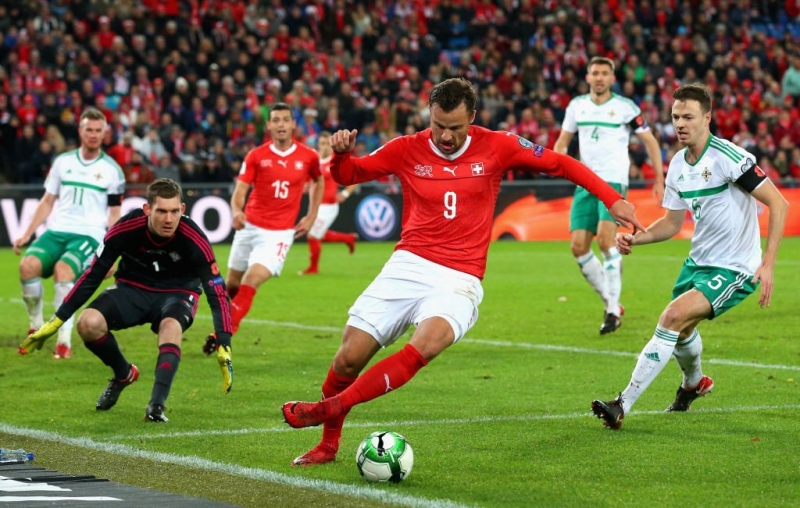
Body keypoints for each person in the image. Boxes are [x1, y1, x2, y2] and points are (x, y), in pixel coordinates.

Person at [280, 77, 646, 466]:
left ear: (471, 116)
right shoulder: (406, 148)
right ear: (429, 114)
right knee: (347, 360)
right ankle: (328, 445)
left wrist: (612, 198)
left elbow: (560, 163)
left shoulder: (499, 145)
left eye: (455, 127)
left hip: (459, 277)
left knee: (427, 342)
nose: (445, 136)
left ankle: (331, 407)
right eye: (438, 125)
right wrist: (340, 156)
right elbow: (349, 175)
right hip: (408, 265)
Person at [591, 83, 789, 430]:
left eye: (688, 117)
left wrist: (768, 263)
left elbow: (779, 203)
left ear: (707, 118)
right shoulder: (679, 164)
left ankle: (621, 404)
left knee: (671, 317)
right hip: (697, 264)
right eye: (675, 117)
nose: (680, 124)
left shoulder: (729, 157)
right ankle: (694, 384)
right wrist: (637, 239)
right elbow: (671, 223)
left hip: (735, 268)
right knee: (682, 332)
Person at [20, 178, 234, 423]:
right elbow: (93, 274)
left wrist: (224, 342)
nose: (169, 219)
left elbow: (217, 290)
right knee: (88, 324)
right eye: (161, 211)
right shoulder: (126, 228)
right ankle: (124, 374)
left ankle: (156, 406)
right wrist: (58, 319)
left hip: (178, 292)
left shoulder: (194, 238)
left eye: (175, 211)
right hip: (133, 288)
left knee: (171, 328)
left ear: (182, 209)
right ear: (147, 209)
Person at [553, 56, 665, 335]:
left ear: (612, 78)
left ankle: (612, 311)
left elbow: (650, 141)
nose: (600, 77)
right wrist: (558, 160)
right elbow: (563, 142)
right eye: (595, 73)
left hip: (613, 181)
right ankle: (612, 302)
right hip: (584, 181)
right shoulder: (577, 106)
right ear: (588, 77)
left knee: (606, 241)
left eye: (605, 73)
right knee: (578, 247)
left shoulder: (625, 107)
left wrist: (659, 179)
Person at [204, 102, 323, 346]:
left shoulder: (308, 156)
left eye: (285, 120)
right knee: (232, 285)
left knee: (252, 278)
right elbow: (241, 190)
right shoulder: (256, 156)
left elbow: (318, 181)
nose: (281, 124)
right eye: (276, 120)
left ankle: (223, 335)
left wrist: (311, 215)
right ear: (268, 125)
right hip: (249, 227)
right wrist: (237, 211)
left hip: (279, 234)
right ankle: (228, 320)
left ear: (293, 124)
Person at [14, 108, 124, 360]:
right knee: (27, 266)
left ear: (104, 133)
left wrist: (112, 253)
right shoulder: (63, 162)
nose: (93, 134)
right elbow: (47, 200)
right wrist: (27, 233)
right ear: (80, 131)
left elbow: (114, 213)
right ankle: (36, 326)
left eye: (98, 130)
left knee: (63, 271)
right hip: (57, 230)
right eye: (89, 129)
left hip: (88, 235)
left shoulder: (112, 171)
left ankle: (63, 341)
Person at [299, 131, 358, 275]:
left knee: (312, 235)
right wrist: (304, 187)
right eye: (322, 143)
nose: (324, 146)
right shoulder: (313, 160)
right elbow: (307, 182)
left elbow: (354, 178)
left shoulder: (334, 160)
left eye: (327, 143)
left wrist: (345, 193)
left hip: (328, 206)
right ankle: (348, 239)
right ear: (318, 144)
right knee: (317, 234)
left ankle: (313, 268)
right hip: (315, 205)